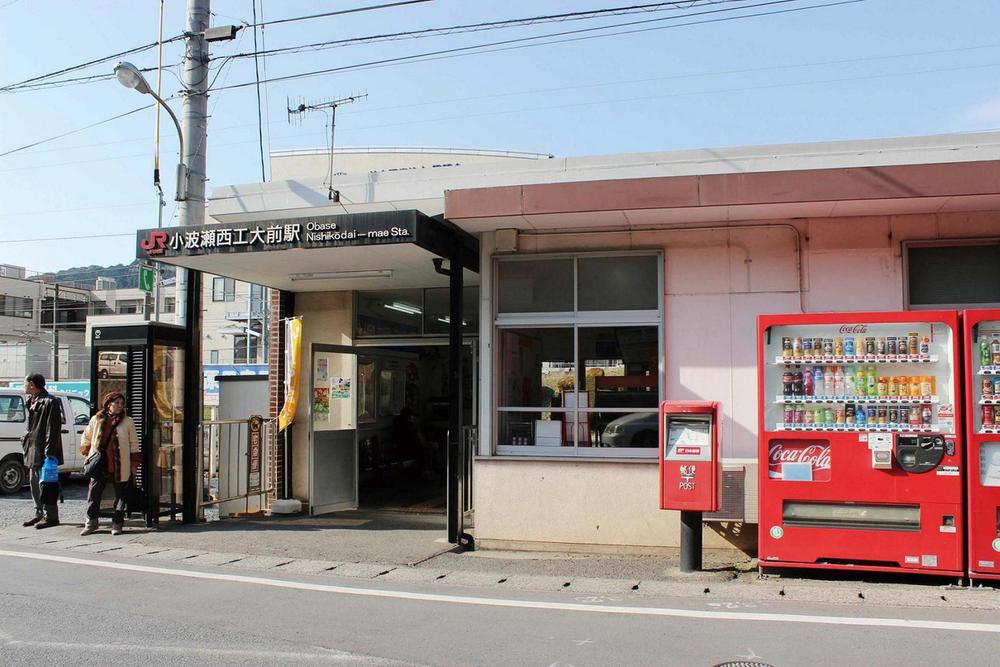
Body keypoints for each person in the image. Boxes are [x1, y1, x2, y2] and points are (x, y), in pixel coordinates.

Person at [80, 391, 139, 536]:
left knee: (121, 495)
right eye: (116, 403)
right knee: (94, 494)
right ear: (108, 404)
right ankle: (91, 522)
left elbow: (134, 444)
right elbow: (86, 437)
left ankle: (117, 523)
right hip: (100, 463)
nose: (120, 406)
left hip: (120, 464)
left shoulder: (128, 421)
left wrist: (134, 464)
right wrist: (87, 454)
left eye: (121, 403)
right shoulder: (96, 419)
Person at [21, 373, 63, 529]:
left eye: (25, 383)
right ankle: (38, 513)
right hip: (32, 447)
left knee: (46, 483)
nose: (23, 386)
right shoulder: (31, 401)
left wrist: (49, 450)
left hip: (43, 449)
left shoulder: (50, 401)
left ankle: (51, 516)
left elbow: (53, 428)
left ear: (32, 384)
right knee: (34, 482)